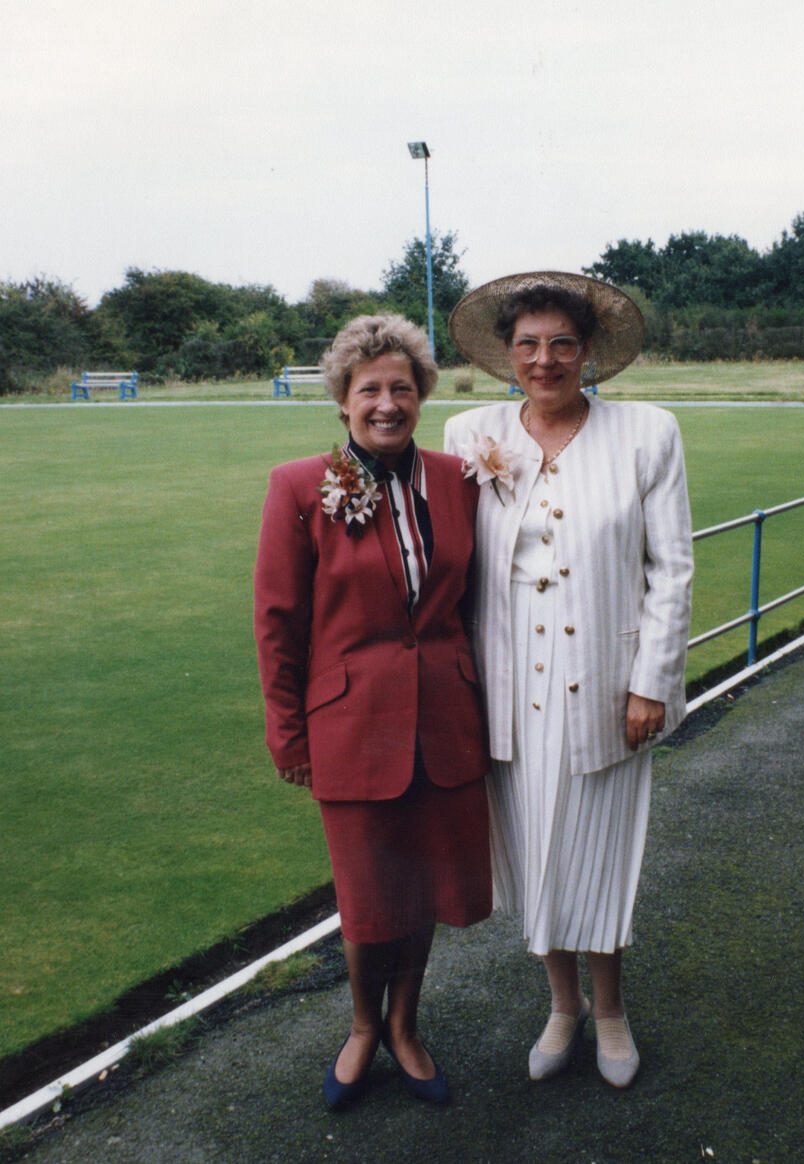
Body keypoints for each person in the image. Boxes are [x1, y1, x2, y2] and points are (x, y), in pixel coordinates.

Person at [443, 272, 693, 1089]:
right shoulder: (469, 432)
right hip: (508, 688)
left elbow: (672, 569)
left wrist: (651, 681)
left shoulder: (647, 433)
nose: (543, 360)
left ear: (588, 354)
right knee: (531, 854)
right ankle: (561, 1005)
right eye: (527, 344)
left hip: (606, 685)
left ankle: (611, 1010)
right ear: (506, 354)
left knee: (600, 852)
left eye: (560, 344)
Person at [254, 314, 491, 1110]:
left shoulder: (459, 480)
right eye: (369, 390)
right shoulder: (300, 486)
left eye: (401, 387)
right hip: (351, 729)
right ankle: (362, 1026)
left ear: (421, 394)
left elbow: (478, 599)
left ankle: (406, 1027)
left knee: (423, 887)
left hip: (446, 720)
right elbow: (278, 620)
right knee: (367, 892)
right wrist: (288, 732)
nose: (386, 403)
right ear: (343, 402)